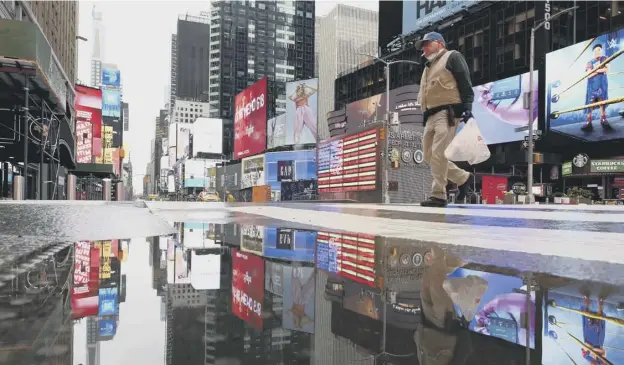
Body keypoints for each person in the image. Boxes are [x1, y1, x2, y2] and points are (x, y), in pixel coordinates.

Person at [415, 32, 474, 207]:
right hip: (430, 115)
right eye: (422, 45)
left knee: (439, 153)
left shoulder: (452, 56)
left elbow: (465, 82)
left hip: (447, 113)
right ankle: (463, 178)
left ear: (440, 43)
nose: (424, 48)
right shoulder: (427, 67)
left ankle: (439, 195)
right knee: (428, 156)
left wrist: (467, 107)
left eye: (427, 44)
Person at [583, 44, 611, 131]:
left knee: (602, 101)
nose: (597, 51)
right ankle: (588, 120)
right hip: (592, 84)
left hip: (602, 83)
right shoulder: (589, 62)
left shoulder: (605, 58)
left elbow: (607, 70)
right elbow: (589, 74)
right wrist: (598, 71)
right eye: (596, 50)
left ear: (601, 50)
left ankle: (603, 119)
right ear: (593, 52)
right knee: (590, 102)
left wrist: (596, 70)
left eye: (599, 49)